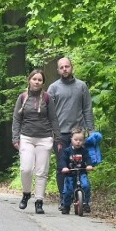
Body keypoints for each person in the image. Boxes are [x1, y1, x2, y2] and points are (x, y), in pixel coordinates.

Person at [12, 69, 59, 214]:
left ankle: (39, 201)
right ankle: (26, 194)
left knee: (41, 172)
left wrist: (57, 137)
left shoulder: (47, 98)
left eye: (40, 80)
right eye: (34, 79)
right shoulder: (22, 97)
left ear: (43, 83)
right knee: (26, 169)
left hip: (44, 138)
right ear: (29, 80)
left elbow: (53, 118)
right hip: (26, 137)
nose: (37, 82)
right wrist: (15, 138)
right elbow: (16, 119)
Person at [47, 57, 95, 197]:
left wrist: (91, 131)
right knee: (63, 167)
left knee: (80, 166)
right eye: (61, 67)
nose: (64, 69)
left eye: (67, 66)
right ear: (58, 70)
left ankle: (79, 196)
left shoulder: (81, 86)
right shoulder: (53, 88)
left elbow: (87, 109)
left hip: (78, 134)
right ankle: (64, 198)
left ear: (71, 67)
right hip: (59, 134)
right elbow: (48, 113)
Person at [59, 127, 94, 214]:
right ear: (71, 139)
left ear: (83, 141)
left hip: (81, 172)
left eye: (80, 140)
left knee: (86, 185)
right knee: (68, 190)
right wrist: (64, 167)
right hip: (70, 173)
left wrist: (89, 165)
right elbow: (62, 160)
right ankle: (66, 206)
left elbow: (88, 159)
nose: (78, 142)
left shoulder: (84, 151)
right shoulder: (67, 151)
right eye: (76, 139)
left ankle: (85, 203)